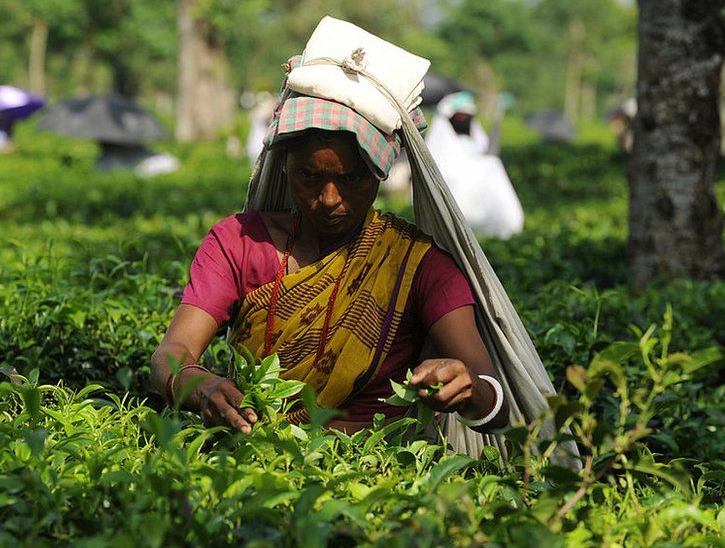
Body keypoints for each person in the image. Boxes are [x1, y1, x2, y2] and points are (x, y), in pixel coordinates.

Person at [150, 53, 510, 436]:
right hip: (255, 456)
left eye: (352, 179)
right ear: (284, 163)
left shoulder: (417, 265)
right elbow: (171, 355)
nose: (329, 199)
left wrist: (467, 388)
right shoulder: (238, 243)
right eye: (309, 176)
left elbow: (495, 404)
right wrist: (198, 385)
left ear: (379, 173)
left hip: (377, 475)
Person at [425, 91, 524, 239]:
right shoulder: (439, 147)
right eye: (461, 116)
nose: (465, 120)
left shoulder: (477, 142)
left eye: (468, 116)